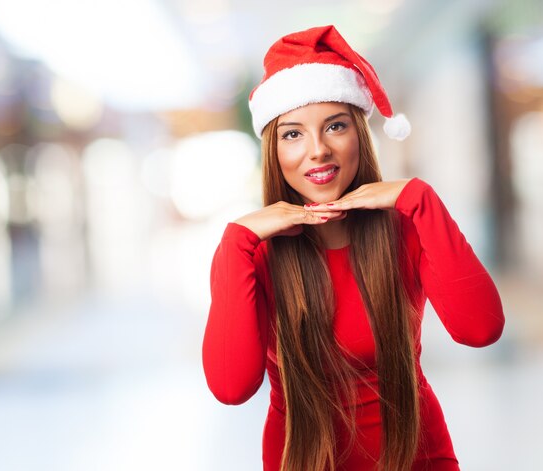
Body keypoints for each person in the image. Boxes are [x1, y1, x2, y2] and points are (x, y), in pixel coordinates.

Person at [202, 25, 505, 471]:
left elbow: (480, 330)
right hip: (304, 459)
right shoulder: (253, 256)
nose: (318, 150)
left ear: (358, 136)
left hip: (416, 456)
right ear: (274, 151)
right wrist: (237, 241)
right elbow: (231, 387)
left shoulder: (406, 228)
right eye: (293, 134)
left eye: (335, 126)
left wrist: (421, 200)